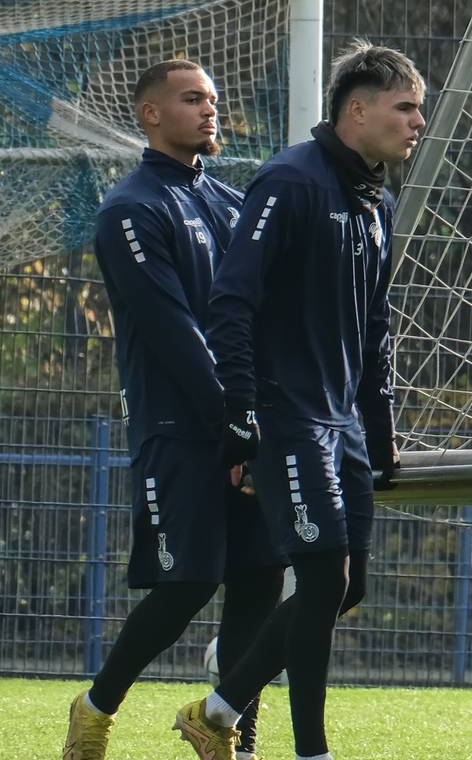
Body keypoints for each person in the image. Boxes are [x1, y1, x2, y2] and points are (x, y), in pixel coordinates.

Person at [176, 44, 429, 760]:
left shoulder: (377, 202)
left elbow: (376, 329)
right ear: (358, 110)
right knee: (323, 580)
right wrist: (240, 409)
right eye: (406, 108)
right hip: (288, 416)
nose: (418, 122)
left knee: (346, 588)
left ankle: (217, 709)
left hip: (342, 423)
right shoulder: (290, 180)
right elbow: (231, 301)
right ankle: (309, 750)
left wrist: (379, 428)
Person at [62, 61, 282, 760]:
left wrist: (258, 416)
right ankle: (95, 709)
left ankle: (234, 736)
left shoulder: (231, 202)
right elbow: (174, 331)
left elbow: (259, 316)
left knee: (260, 579)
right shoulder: (131, 208)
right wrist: (232, 420)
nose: (210, 110)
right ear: (150, 114)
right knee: (188, 581)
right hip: (179, 427)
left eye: (213, 99)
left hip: (247, 422)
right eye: (192, 99)